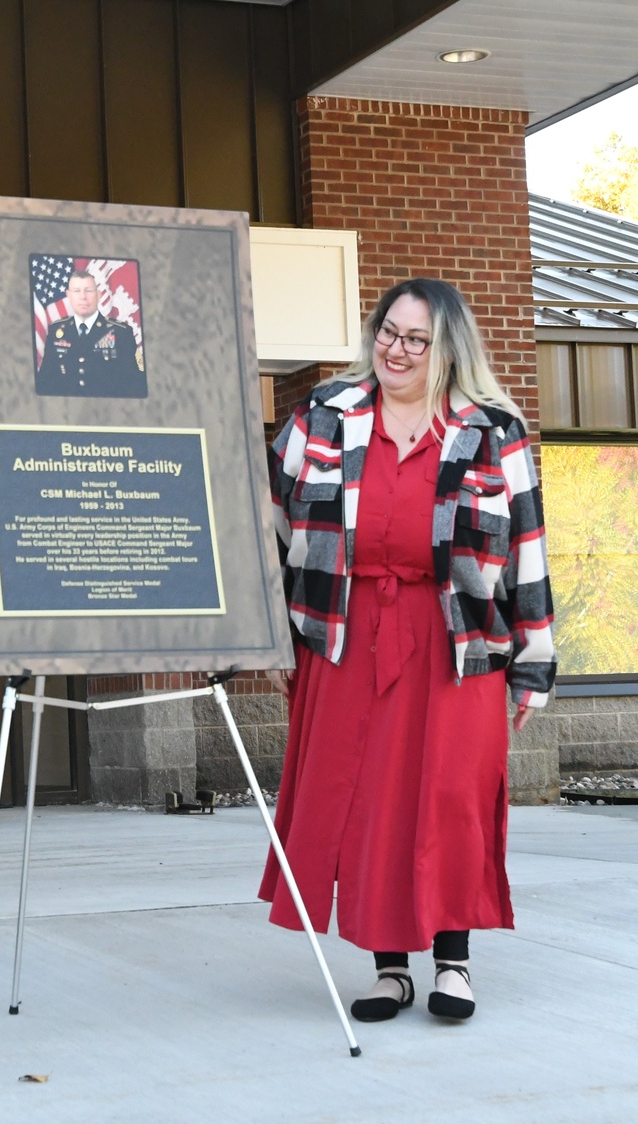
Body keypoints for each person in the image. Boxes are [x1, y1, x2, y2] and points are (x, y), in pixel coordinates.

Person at [260, 278, 556, 1023]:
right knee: (367, 799)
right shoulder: (322, 418)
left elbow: (526, 550)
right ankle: (388, 968)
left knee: (450, 799)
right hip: (345, 637)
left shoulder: (493, 432)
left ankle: (452, 962)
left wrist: (534, 663)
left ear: (447, 348)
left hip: (459, 642)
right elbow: (259, 529)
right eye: (387, 332)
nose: (395, 349)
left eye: (414, 339)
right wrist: (266, 630)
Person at [36, 270, 146, 398]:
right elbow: (45, 382)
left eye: (88, 291)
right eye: (77, 291)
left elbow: (136, 384)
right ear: (69, 296)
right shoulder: (56, 331)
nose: (83, 297)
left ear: (98, 295)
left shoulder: (122, 333)